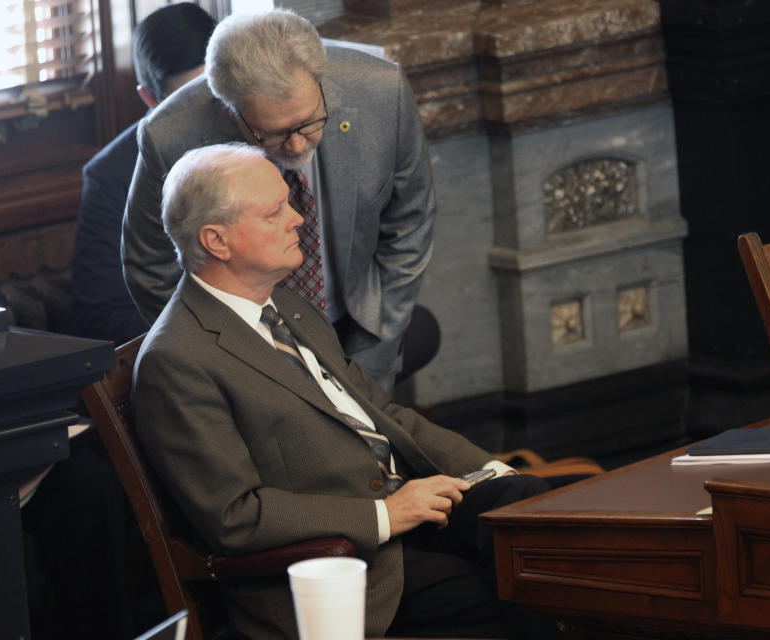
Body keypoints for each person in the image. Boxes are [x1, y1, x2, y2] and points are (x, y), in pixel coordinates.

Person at [132, 143, 555, 640]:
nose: (297, 219)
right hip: (345, 567)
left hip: (410, 512)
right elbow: (235, 516)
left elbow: (382, 412)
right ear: (216, 241)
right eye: (274, 213)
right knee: (521, 592)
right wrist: (384, 514)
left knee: (536, 513)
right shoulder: (176, 360)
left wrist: (486, 472)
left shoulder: (287, 305)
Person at [123, 9, 437, 389]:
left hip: (359, 330)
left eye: (308, 122)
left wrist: (383, 334)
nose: (296, 144)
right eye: (272, 134)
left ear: (320, 82)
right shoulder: (170, 137)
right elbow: (150, 266)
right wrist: (223, 354)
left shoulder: (383, 93)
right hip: (245, 351)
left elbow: (411, 222)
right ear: (231, 110)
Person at [72, 3, 216, 345]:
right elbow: (103, 312)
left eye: (214, 93)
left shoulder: (272, 128)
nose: (206, 116)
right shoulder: (111, 175)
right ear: (149, 99)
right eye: (185, 101)